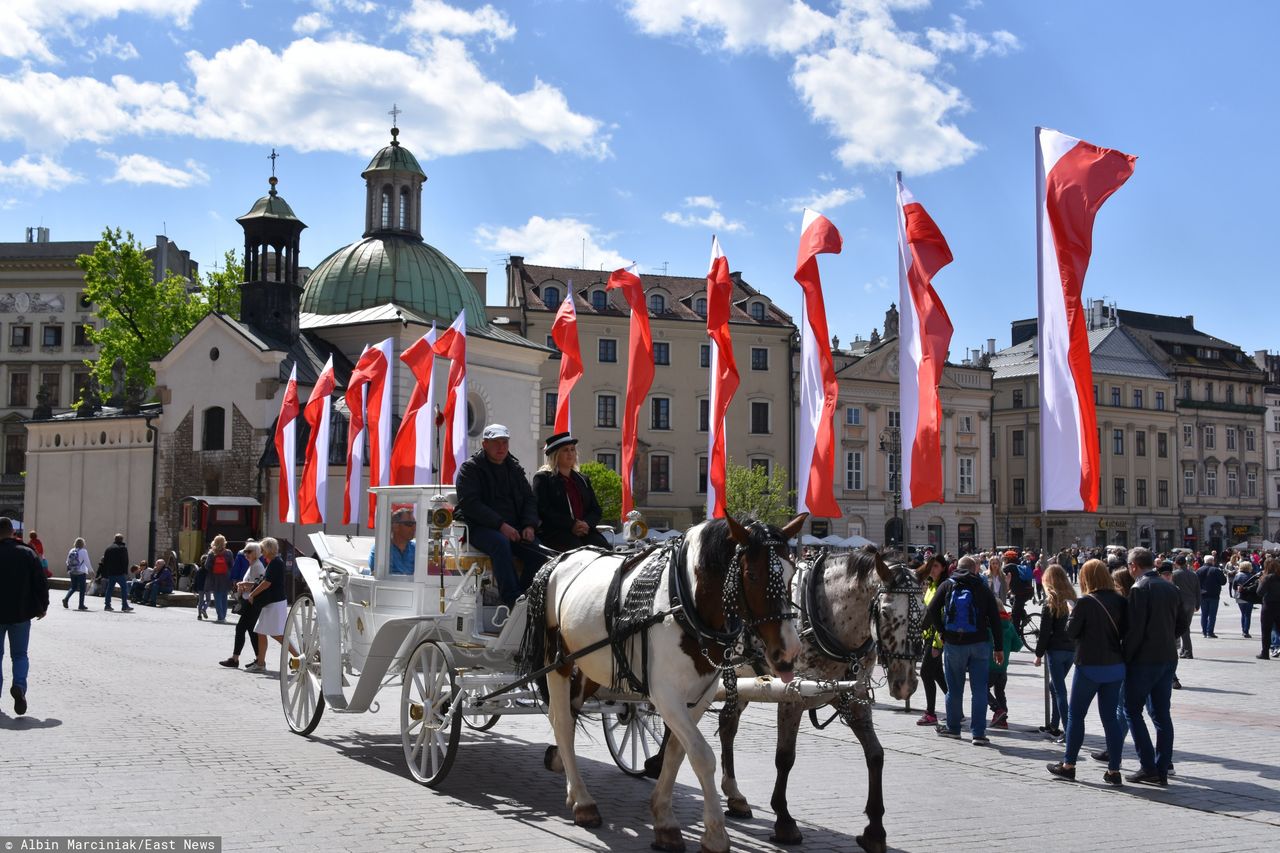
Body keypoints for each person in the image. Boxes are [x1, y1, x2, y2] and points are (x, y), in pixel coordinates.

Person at [1046, 558, 1127, 785]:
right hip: (1115, 666)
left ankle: (1069, 765)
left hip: (1089, 666)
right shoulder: (1120, 601)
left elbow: (1071, 633)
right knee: (1110, 719)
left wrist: (1072, 612)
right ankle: (1114, 771)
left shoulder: (1085, 602)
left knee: (1076, 716)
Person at [454, 424, 548, 607]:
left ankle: (527, 596)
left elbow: (529, 499)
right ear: (484, 444)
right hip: (480, 527)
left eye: (504, 442)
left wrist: (529, 525)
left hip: (515, 528)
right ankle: (512, 599)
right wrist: (500, 525)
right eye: (496, 442)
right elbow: (471, 504)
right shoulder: (470, 469)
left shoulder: (514, 468)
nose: (501, 447)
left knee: (540, 553)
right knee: (500, 543)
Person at [921, 554, 1003, 745]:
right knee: (980, 690)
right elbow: (995, 619)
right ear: (975, 569)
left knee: (954, 689)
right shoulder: (982, 587)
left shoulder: (948, 584)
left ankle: (954, 728)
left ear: (956, 567)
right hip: (980, 644)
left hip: (953, 644)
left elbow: (932, 609)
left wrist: (942, 631)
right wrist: (998, 647)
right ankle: (979, 733)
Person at [1122, 546, 1183, 786]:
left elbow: (1135, 630)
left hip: (1144, 660)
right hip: (1168, 656)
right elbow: (1183, 622)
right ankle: (1162, 767)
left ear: (1134, 566)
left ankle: (1148, 766)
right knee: (1161, 715)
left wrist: (1127, 657)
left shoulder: (1139, 588)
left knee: (1131, 709)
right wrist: (1168, 637)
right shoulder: (1170, 587)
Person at [0, 516, 48, 716]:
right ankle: (19, 686)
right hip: (21, 612)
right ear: (13, 532)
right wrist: (42, 606)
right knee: (20, 655)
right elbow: (40, 581)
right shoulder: (27, 553)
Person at [532, 432, 610, 552]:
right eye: (565, 450)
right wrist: (571, 524)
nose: (570, 454)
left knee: (606, 550)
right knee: (578, 553)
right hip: (556, 532)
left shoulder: (582, 479)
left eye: (572, 450)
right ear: (555, 455)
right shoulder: (543, 478)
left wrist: (586, 524)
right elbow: (543, 509)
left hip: (585, 531)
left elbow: (596, 509)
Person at [1035, 563, 1078, 738]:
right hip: (1071, 650)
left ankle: (1068, 731)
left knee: (1060, 690)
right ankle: (1053, 726)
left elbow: (1044, 631)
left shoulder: (1051, 600)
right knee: (1054, 686)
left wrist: (1038, 654)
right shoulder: (1073, 598)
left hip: (1056, 650)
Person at [244, 538, 288, 673]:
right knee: (261, 631)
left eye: (263, 549)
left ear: (268, 549)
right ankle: (261, 662)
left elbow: (267, 583)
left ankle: (298, 655)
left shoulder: (275, 563)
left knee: (277, 634)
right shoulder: (275, 562)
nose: (261, 552)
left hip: (275, 602)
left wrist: (252, 594)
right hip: (273, 602)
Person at [220, 542, 266, 669]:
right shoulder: (253, 565)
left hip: (252, 603)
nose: (246, 554)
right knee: (251, 631)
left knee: (242, 629)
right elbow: (254, 583)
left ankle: (237, 659)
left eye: (249, 551)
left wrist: (244, 585)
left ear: (256, 552)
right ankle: (257, 659)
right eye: (245, 551)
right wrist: (243, 584)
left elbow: (260, 584)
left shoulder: (257, 566)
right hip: (248, 601)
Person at [915, 555, 949, 726]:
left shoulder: (943, 587)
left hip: (936, 639)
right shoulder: (930, 586)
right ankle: (956, 708)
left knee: (925, 673)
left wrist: (937, 644)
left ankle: (930, 713)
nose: (932, 569)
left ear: (943, 568)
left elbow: (940, 618)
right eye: (930, 566)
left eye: (936, 566)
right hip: (928, 637)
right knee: (938, 675)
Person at [987, 601, 1022, 730]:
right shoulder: (1010, 625)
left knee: (981, 687)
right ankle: (1003, 719)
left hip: (989, 665)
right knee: (1000, 692)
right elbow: (1017, 646)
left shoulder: (988, 625)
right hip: (1003, 667)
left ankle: (997, 710)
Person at [369, 507, 417, 575]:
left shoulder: (415, 549)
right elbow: (379, 576)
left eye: (415, 523)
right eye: (409, 523)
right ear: (395, 526)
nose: (414, 528)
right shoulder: (381, 549)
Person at [1169, 555, 1199, 659]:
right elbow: (1197, 590)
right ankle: (1183, 650)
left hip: (1180, 603)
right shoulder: (1193, 574)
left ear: (1176, 563)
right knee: (1185, 627)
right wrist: (1198, 604)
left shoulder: (1175, 574)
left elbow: (1172, 589)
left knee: (1184, 628)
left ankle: (1188, 651)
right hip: (1191, 603)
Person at [202, 535, 235, 623]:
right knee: (224, 598)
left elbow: (206, 565)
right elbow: (232, 565)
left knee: (217, 597)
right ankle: (223, 616)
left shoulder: (211, 553)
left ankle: (220, 617)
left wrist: (214, 568)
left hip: (214, 577)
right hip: (226, 577)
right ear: (224, 542)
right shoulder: (228, 552)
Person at [100, 533, 133, 612]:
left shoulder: (109, 548)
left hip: (111, 572)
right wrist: (125, 571)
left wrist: (107, 571)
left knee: (109, 589)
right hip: (120, 572)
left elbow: (105, 561)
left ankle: (107, 605)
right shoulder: (123, 548)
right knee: (124, 588)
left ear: (114, 539)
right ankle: (124, 605)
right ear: (122, 539)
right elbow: (125, 561)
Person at [1257, 558, 1280, 660]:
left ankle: (1265, 653)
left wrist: (1260, 582)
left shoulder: (1267, 578)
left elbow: (1259, 592)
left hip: (1269, 606)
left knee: (1266, 630)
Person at [1005, 551, 1035, 628]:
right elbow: (1017, 581)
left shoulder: (1008, 566)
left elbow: (1000, 576)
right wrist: (1010, 591)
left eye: (1005, 558)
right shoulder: (1017, 565)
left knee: (1015, 614)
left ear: (1008, 559)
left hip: (1022, 593)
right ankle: (1024, 617)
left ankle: (1017, 633)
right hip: (1027, 591)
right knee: (1013, 601)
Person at [62, 537, 92, 611]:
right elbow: (87, 562)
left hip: (72, 571)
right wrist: (91, 571)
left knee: (73, 587)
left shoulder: (71, 550)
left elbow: (67, 561)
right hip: (81, 572)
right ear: (83, 544)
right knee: (82, 589)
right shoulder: (84, 551)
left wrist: (71, 569)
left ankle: (66, 599)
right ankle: (81, 605)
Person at [1231, 558, 1257, 639]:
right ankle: (1246, 631)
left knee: (1243, 613)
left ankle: (1243, 630)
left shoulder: (1237, 575)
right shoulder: (1252, 576)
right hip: (1249, 597)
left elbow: (1234, 586)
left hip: (1239, 596)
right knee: (1248, 614)